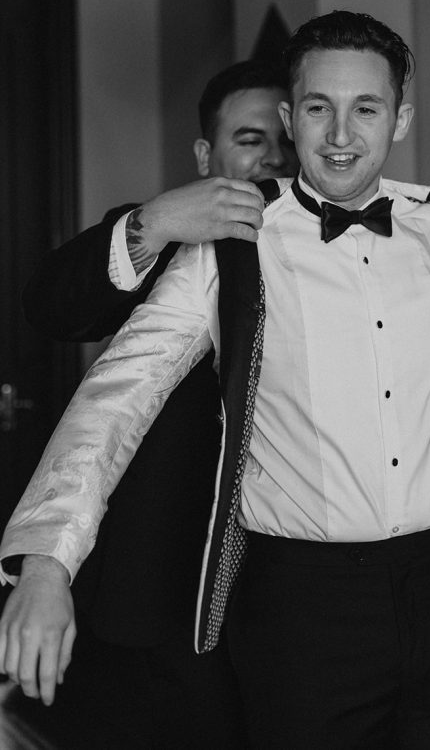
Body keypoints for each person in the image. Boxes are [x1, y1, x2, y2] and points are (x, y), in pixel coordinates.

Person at [3, 11, 430, 748]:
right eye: (317, 108)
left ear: (399, 118)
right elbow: (114, 401)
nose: (340, 134)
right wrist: (46, 564)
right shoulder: (227, 245)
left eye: (365, 108)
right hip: (303, 607)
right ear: (288, 117)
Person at [8, 59, 298, 750]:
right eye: (252, 138)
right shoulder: (169, 237)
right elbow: (50, 304)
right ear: (208, 155)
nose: (276, 158)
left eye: (287, 137)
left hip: (298, 592)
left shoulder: (354, 248)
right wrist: (157, 220)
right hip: (163, 585)